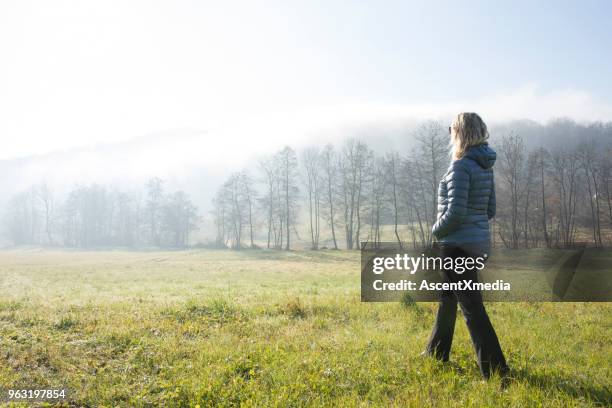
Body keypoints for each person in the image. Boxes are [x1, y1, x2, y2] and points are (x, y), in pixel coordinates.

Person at [424, 112, 509, 379]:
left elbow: (456, 212)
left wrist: (435, 230)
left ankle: (495, 370)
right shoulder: (485, 166)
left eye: (452, 130)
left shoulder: (460, 167)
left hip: (457, 245)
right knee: (448, 299)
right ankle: (436, 353)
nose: (450, 134)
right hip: (477, 243)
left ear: (460, 133)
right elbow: (490, 209)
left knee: (471, 308)